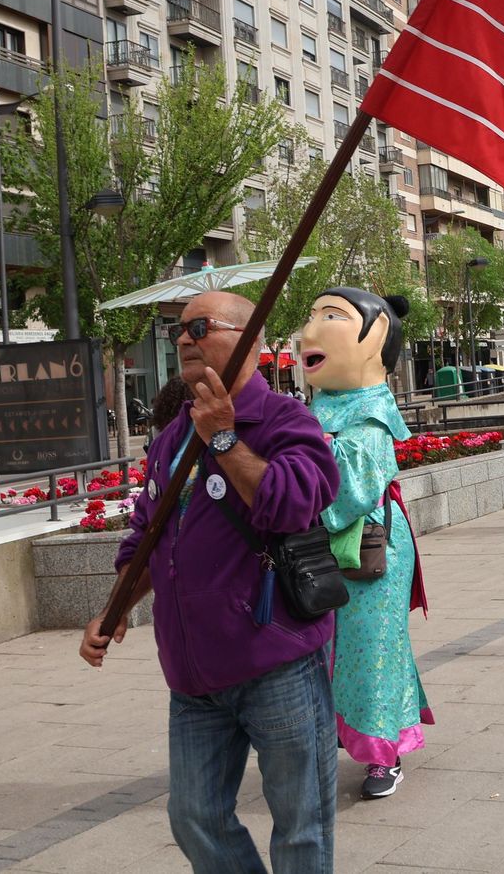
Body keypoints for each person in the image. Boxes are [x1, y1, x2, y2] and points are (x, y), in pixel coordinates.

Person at [80, 291, 342, 873]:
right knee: (195, 817)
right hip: (193, 675)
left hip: (275, 663)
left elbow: (294, 505)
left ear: (248, 339)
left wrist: (224, 437)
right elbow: (146, 535)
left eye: (199, 327)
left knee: (301, 826)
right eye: (178, 329)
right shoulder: (172, 437)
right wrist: (114, 607)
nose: (183, 340)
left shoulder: (286, 420)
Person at [301, 288, 432, 800]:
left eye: (331, 316)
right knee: (331, 651)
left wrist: (310, 449)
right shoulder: (319, 405)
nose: (311, 330)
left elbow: (351, 489)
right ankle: (341, 737)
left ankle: (384, 754)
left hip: (371, 548)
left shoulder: (373, 411)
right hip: (324, 546)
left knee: (373, 646)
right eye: (312, 316)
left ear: (376, 337)